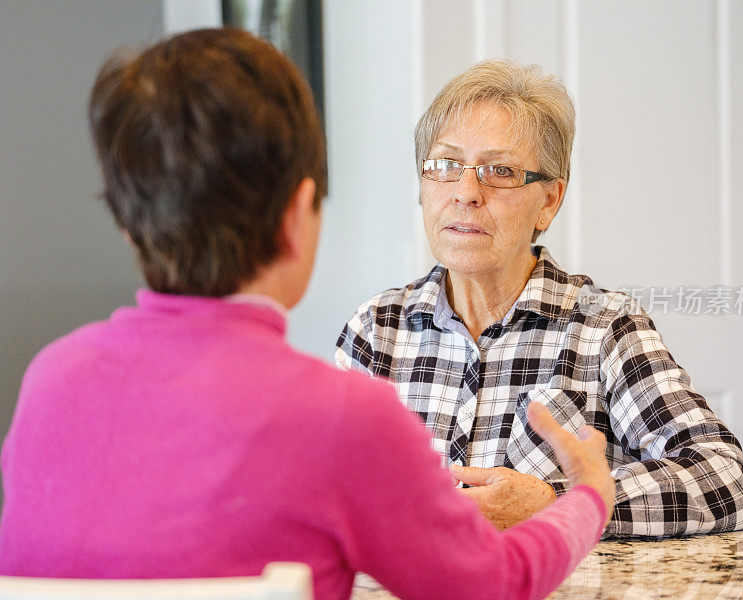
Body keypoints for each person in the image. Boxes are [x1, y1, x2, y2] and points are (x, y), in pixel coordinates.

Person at [0, 29, 616, 600]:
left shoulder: (50, 380)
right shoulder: (344, 414)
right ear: (299, 215)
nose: (466, 190)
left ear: (131, 229)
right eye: (446, 166)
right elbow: (493, 584)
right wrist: (586, 495)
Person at [336, 59, 743, 538]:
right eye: (445, 165)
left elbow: (724, 476)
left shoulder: (603, 327)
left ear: (549, 201)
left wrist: (557, 503)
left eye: (501, 171)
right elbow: (320, 488)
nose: (466, 192)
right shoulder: (376, 329)